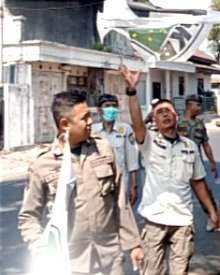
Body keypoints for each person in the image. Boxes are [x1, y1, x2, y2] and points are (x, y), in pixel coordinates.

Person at [18, 90, 144, 275]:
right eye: (85, 118)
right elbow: (29, 217)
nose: (91, 122)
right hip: (70, 263)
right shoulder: (42, 165)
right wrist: (41, 250)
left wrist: (133, 244)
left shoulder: (103, 150)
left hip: (109, 258)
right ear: (65, 124)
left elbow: (120, 202)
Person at [119, 65, 220, 275]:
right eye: (159, 112)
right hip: (154, 221)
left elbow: (198, 183)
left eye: (169, 111)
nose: (165, 114)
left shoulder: (189, 147)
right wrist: (132, 91)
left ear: (176, 117)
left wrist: (212, 212)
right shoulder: (148, 143)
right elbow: (137, 123)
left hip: (182, 222)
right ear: (154, 120)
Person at [177, 94, 220, 231]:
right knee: (178, 196)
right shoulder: (177, 122)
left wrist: (212, 162)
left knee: (205, 193)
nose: (200, 108)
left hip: (196, 165)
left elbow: (205, 144)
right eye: (198, 105)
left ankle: (213, 219)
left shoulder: (200, 124)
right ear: (190, 105)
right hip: (179, 166)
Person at [92, 94, 140, 205]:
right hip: (99, 182)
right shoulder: (93, 131)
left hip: (122, 182)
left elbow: (132, 159)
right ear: (99, 110)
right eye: (107, 106)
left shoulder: (125, 129)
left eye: (114, 106)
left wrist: (134, 185)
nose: (111, 109)